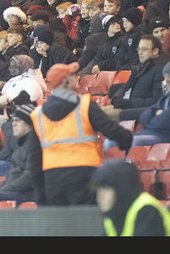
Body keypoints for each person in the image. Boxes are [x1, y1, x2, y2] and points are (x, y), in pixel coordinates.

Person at [31, 62, 133, 205]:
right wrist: (127, 140)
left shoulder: (38, 115)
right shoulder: (84, 105)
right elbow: (111, 129)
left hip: (52, 178)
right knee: (87, 223)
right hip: (84, 174)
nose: (77, 78)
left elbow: (34, 159)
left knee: (62, 225)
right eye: (73, 76)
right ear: (66, 81)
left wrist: (39, 192)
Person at [92, 159, 170, 236]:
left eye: (106, 189)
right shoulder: (112, 215)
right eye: (98, 190)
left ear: (121, 189)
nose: (100, 196)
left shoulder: (146, 209)